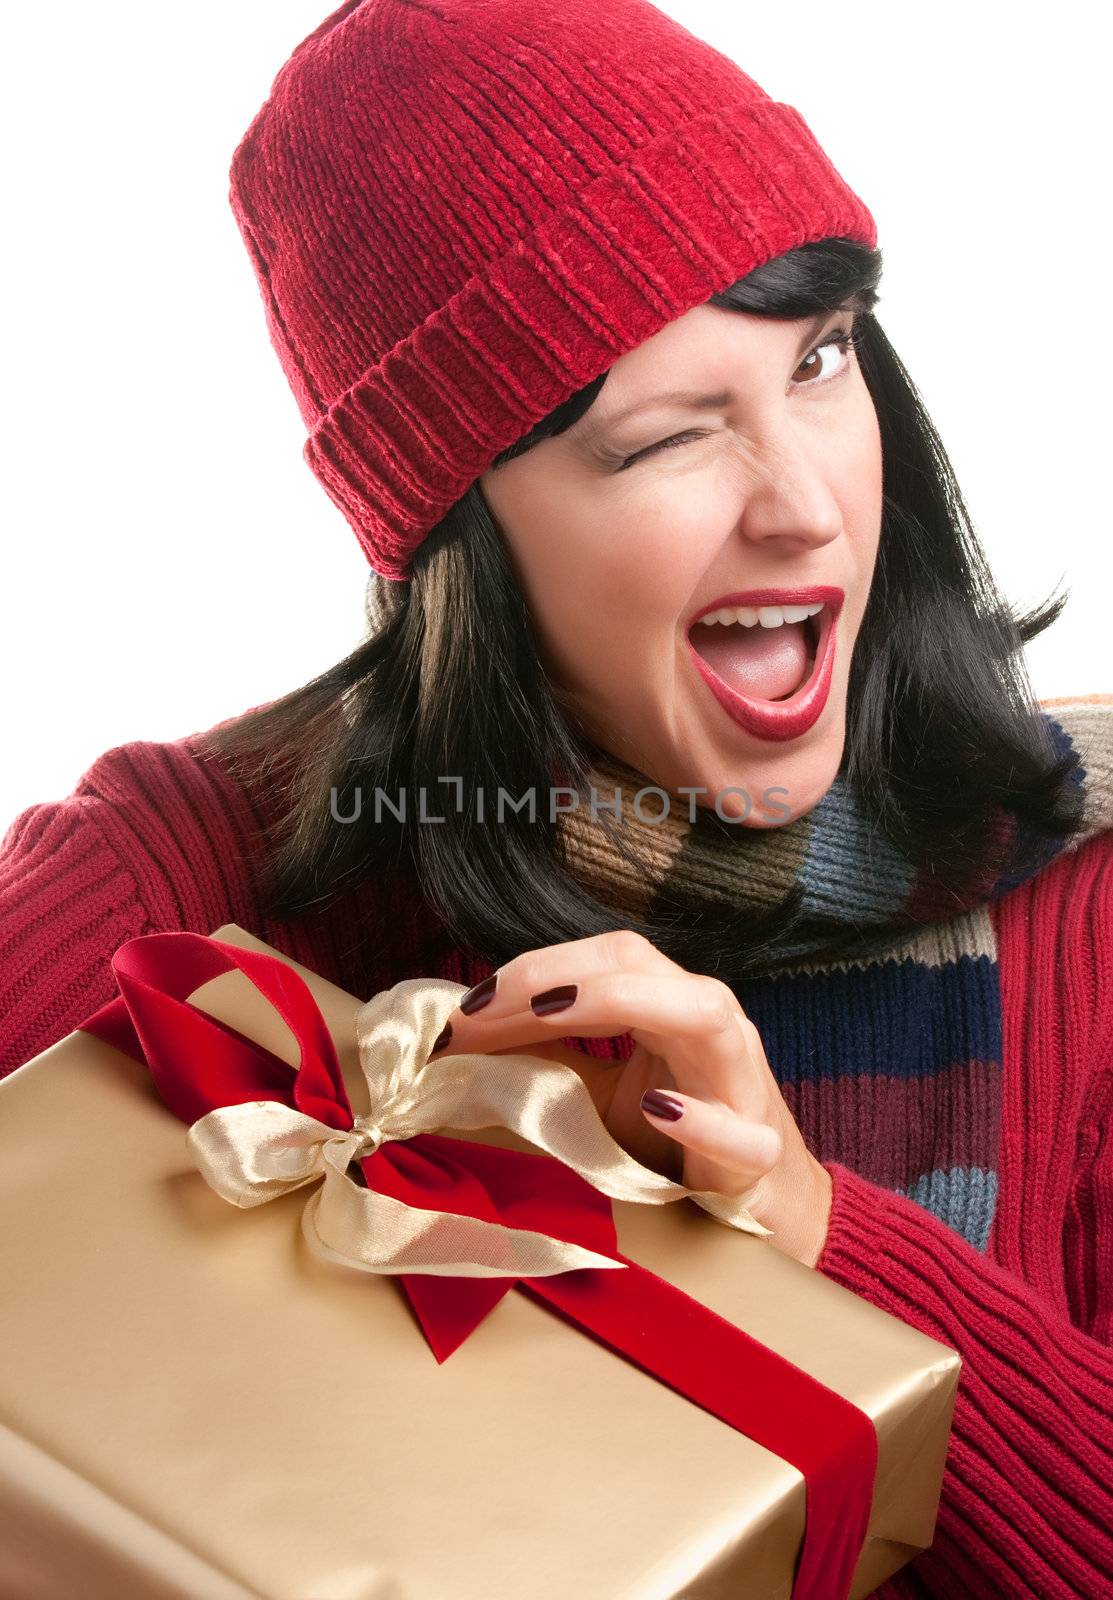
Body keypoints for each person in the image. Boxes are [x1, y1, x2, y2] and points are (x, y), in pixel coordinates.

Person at [2, 0, 1111, 1594]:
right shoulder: (187, 879)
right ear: (464, 545)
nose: (805, 506)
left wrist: (802, 1225)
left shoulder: (1081, 894)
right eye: (667, 438)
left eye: (819, 359)